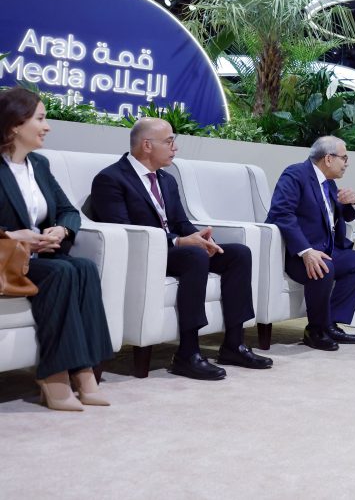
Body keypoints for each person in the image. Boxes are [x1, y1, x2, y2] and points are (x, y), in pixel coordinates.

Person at [90, 117, 272, 380]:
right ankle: (188, 353)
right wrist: (179, 242)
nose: (175, 148)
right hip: (143, 256)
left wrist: (198, 236)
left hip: (175, 252)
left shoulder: (166, 179)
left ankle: (234, 344)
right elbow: (124, 231)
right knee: (193, 255)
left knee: (237, 254)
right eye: (169, 142)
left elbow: (180, 222)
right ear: (147, 145)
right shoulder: (110, 179)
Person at [0, 88, 113, 411]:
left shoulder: (39, 164)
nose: (47, 126)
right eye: (40, 119)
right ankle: (54, 377)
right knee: (61, 270)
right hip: (6, 258)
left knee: (84, 267)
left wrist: (61, 230)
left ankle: (86, 372)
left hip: (34, 257)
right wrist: (13, 234)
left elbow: (67, 210)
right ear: (15, 125)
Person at [265, 136, 355, 351]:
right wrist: (306, 251)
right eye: (344, 158)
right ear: (328, 159)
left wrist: (353, 202)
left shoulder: (328, 183)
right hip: (296, 254)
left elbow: (344, 214)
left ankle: (329, 324)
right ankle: (315, 330)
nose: (347, 163)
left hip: (326, 249)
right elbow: (281, 213)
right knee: (325, 266)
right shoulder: (295, 174)